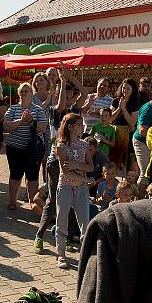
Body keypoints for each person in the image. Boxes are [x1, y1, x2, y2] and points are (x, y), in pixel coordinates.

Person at [54, 113, 94, 269]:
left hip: (81, 190)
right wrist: (86, 179)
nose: (82, 127)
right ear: (70, 127)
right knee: (61, 221)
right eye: (79, 125)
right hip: (65, 187)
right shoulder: (61, 146)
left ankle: (85, 256)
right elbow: (65, 171)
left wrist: (75, 165)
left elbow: (90, 167)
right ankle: (61, 255)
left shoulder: (84, 145)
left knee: (85, 223)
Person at [3, 82, 47, 209]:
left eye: (26, 91)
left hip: (33, 150)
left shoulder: (38, 110)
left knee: (32, 176)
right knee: (15, 175)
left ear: (32, 93)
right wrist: (21, 121)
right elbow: (6, 126)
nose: (24, 93)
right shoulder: (13, 108)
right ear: (18, 94)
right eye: (21, 91)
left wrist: (31, 121)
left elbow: (43, 128)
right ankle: (12, 202)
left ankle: (32, 203)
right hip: (15, 148)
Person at [109, 78, 139, 170]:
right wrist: (119, 108)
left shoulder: (135, 103)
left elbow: (132, 123)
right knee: (114, 158)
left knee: (127, 159)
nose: (125, 90)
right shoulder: (115, 101)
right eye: (123, 88)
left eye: (128, 89)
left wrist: (124, 109)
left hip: (128, 134)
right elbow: (110, 119)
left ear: (132, 90)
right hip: (115, 133)